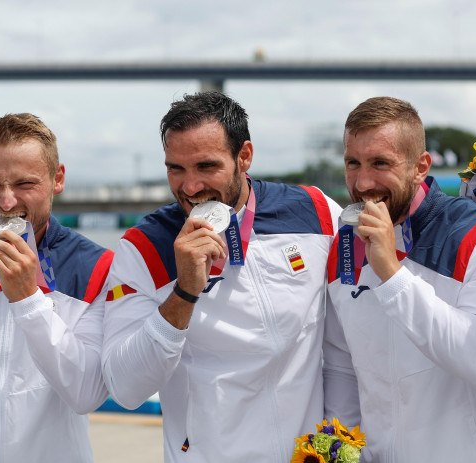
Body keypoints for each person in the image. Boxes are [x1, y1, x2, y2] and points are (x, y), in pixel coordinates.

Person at [101, 91, 341, 463]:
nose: (191, 187)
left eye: (206, 166)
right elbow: (126, 388)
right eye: (175, 169)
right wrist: (184, 292)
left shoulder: (316, 212)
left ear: (244, 156)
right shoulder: (143, 248)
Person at [323, 96, 476, 462]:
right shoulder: (345, 245)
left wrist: (391, 275)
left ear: (421, 166)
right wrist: (344, 452)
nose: (363, 182)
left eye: (380, 163)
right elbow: (341, 365)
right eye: (353, 163)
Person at [0, 113, 113, 462]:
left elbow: (86, 393)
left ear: (57, 179)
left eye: (25, 184)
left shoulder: (98, 269)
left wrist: (29, 301)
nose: (6, 202)